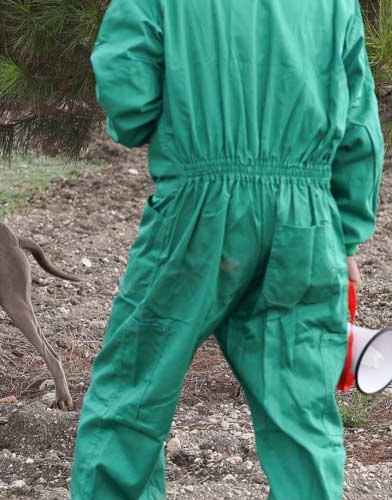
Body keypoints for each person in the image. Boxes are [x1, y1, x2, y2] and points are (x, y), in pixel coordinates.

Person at [70, 1, 383, 498]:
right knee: (302, 412)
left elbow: (128, 97)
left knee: (135, 387)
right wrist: (344, 234)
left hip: (198, 212)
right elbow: (359, 122)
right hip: (305, 221)